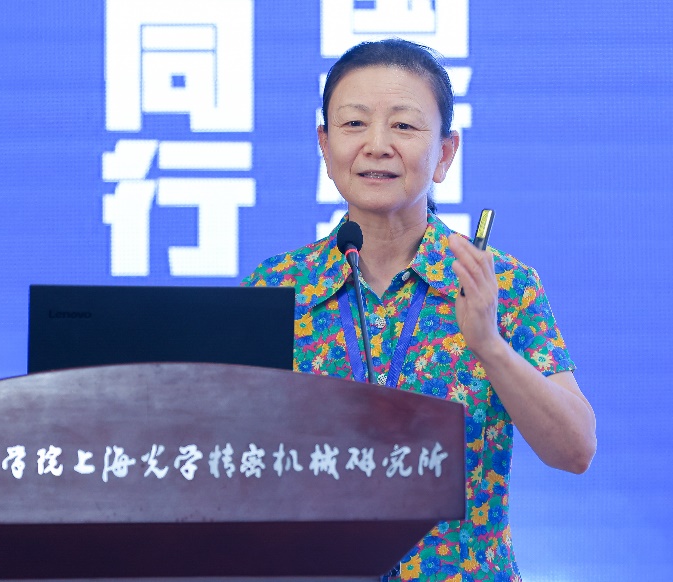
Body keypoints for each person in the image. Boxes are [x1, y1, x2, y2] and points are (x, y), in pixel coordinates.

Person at [242, 39, 596, 581]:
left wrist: (490, 346)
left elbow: (575, 450)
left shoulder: (502, 285)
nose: (377, 145)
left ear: (445, 153)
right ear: (325, 145)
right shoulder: (276, 287)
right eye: (354, 124)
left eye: (404, 126)